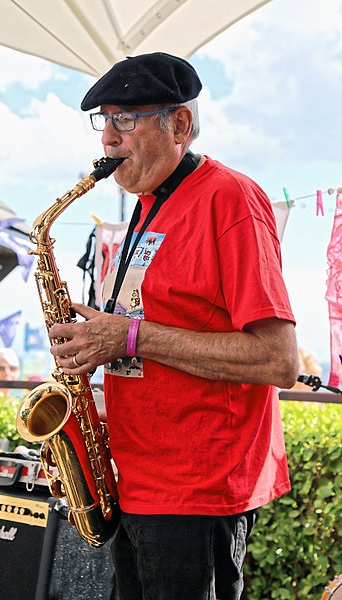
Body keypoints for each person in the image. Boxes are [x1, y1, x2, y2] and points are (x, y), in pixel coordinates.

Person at [48, 52, 299, 600]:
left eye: (125, 118)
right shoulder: (147, 206)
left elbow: (279, 361)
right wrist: (98, 352)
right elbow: (155, 330)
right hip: (137, 481)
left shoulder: (231, 198)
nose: (108, 138)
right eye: (104, 120)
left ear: (179, 124)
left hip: (197, 490)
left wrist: (129, 336)